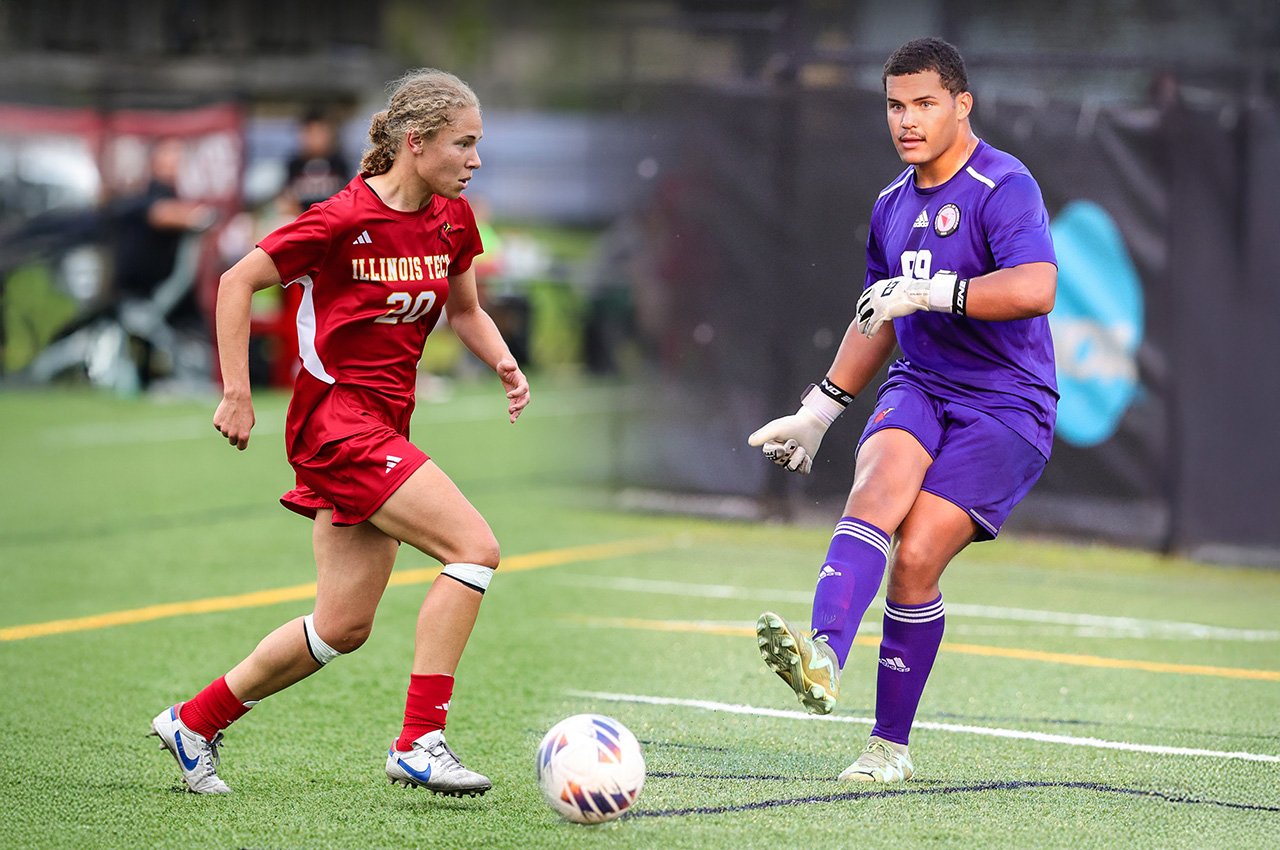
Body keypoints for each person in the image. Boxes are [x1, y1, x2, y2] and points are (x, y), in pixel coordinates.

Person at [149, 68, 530, 797]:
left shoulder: (454, 217)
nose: (475, 159)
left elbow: (466, 310)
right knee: (474, 549)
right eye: (465, 144)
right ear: (416, 143)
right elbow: (236, 282)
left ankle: (194, 722)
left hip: (382, 425)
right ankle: (421, 741)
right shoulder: (338, 219)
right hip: (337, 425)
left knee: (341, 627)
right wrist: (236, 392)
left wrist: (505, 363)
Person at [748, 37, 1057, 784]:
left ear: (961, 104)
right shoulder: (890, 204)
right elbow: (875, 317)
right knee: (876, 486)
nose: (907, 120)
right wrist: (816, 413)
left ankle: (889, 747)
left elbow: (1035, 288)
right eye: (895, 104)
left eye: (924, 103)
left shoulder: (1003, 184)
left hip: (1007, 405)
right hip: (921, 382)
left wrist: (938, 292)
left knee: (916, 560)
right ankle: (822, 656)